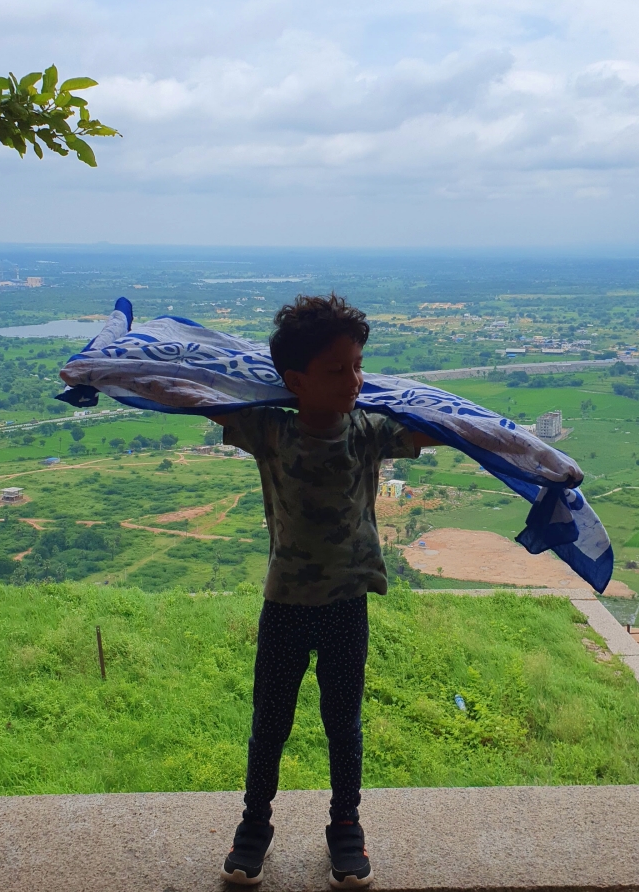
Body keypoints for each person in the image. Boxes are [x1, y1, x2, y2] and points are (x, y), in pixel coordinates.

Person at [211, 294, 435, 888]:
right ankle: (253, 826)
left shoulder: (368, 432)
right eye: (338, 370)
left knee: (344, 721)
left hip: (346, 605)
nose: (355, 380)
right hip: (284, 604)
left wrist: (497, 437)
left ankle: (346, 827)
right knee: (271, 721)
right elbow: (202, 398)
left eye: (358, 365)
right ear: (295, 381)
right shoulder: (271, 431)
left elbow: (435, 430)